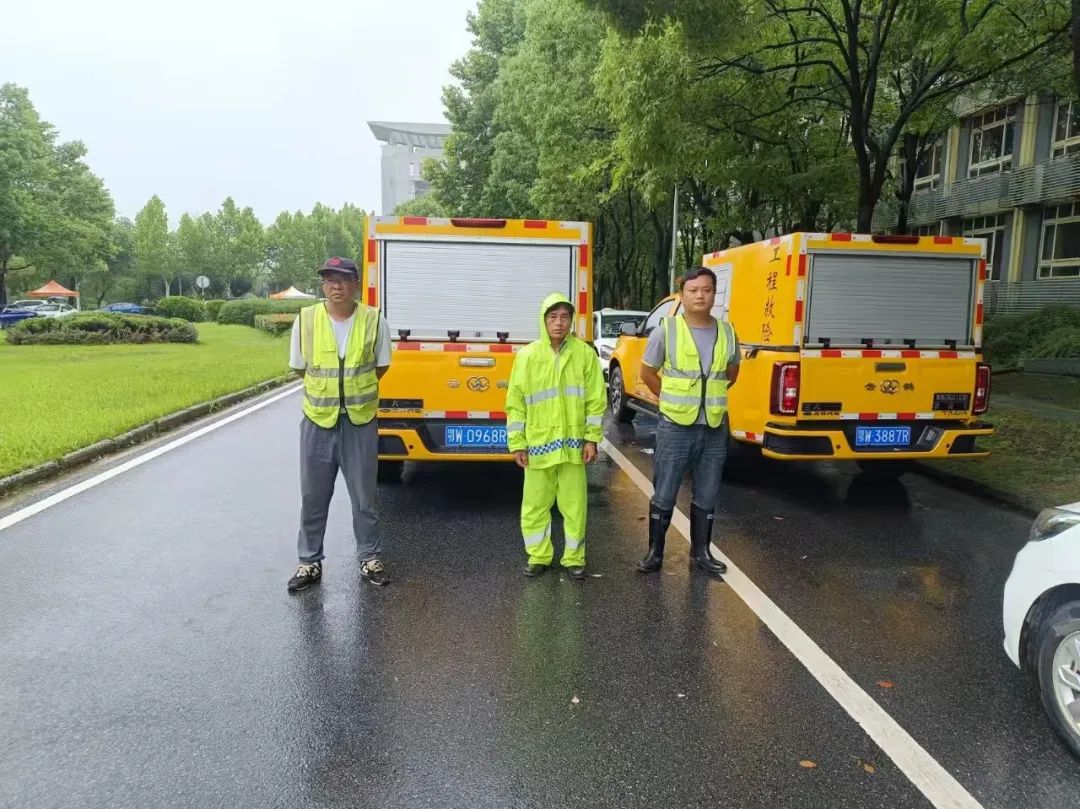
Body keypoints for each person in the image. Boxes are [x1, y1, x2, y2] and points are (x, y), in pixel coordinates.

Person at [286, 257, 393, 592]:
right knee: (313, 496)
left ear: (355, 284)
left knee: (365, 498)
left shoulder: (374, 319)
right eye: (330, 279)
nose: (336, 286)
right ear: (323, 285)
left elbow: (381, 366)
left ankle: (370, 558)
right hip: (318, 421)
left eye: (344, 279)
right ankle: (309, 562)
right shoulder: (306, 319)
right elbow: (300, 367)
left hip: (359, 422)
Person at [636, 266, 740, 578]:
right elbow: (647, 373)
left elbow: (732, 373)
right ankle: (655, 553)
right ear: (682, 295)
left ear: (714, 294)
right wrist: (670, 399)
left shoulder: (728, 332)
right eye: (693, 290)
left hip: (714, 427)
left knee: (707, 492)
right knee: (665, 491)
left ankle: (702, 552)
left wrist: (709, 398)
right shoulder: (666, 330)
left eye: (706, 290)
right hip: (675, 426)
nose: (700, 296)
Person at [506, 293, 606, 580]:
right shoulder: (527, 357)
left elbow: (596, 400)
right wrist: (517, 443)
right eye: (553, 317)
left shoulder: (584, 354)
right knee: (535, 506)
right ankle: (538, 556)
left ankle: (574, 558)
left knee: (575, 507)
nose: (559, 323)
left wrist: (591, 439)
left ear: (571, 320)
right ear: (543, 320)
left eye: (564, 317)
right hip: (538, 447)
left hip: (573, 448)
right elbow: (515, 404)